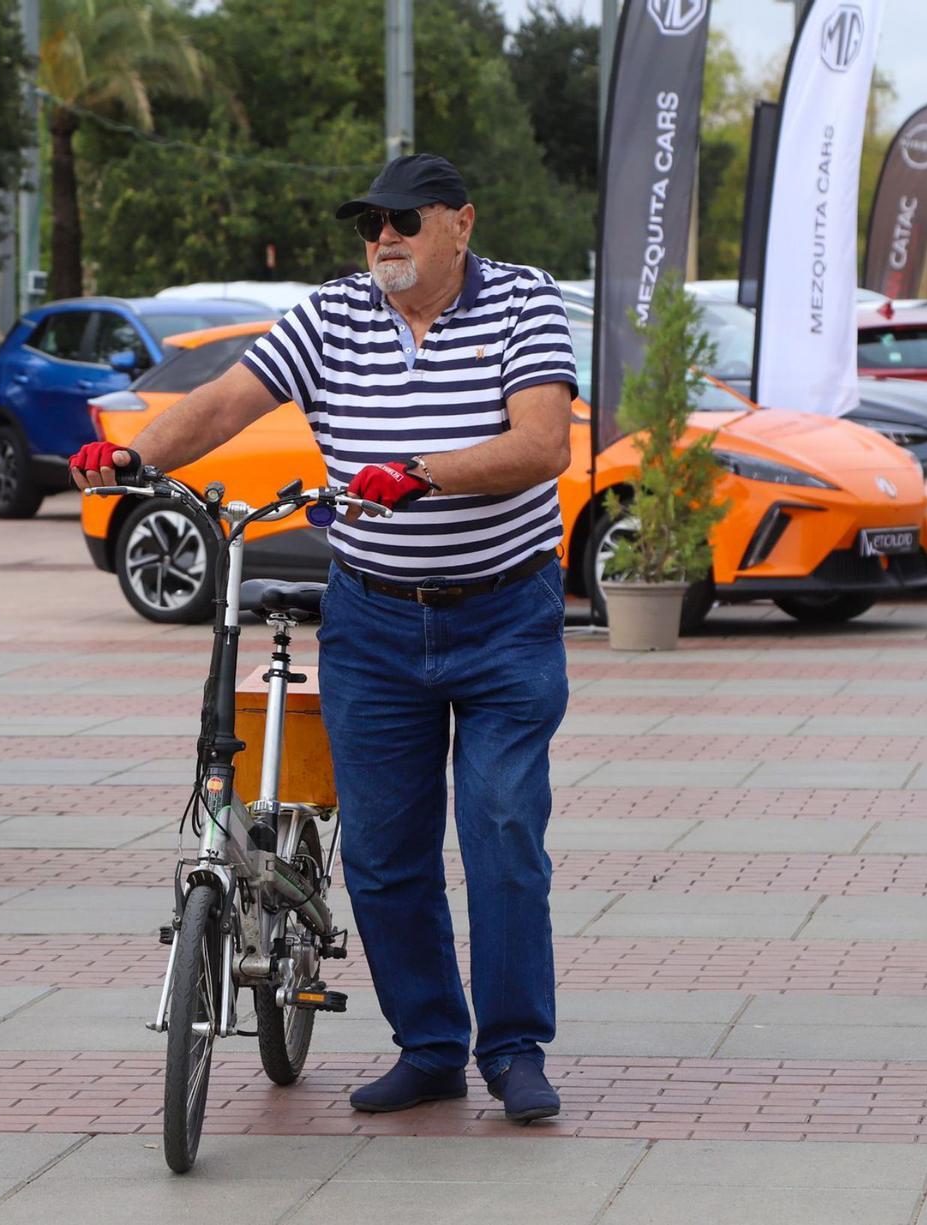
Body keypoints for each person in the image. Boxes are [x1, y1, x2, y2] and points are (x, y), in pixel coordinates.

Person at [70, 153, 577, 1123]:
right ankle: (430, 1046)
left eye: (403, 220)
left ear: (460, 224)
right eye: (367, 223)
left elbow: (543, 441)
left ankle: (514, 1049)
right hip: (374, 618)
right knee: (384, 852)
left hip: (505, 613)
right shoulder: (332, 315)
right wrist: (133, 454)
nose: (381, 237)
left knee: (503, 828)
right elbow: (229, 398)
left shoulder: (525, 301)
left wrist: (419, 474)